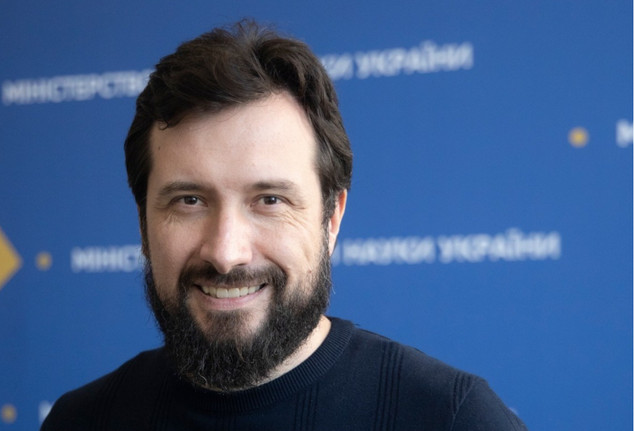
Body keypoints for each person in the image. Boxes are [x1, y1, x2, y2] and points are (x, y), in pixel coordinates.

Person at [42, 20, 528, 430]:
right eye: (189, 201)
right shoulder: (81, 421)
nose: (226, 253)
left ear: (331, 219)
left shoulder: (452, 418)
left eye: (269, 200)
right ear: (143, 223)